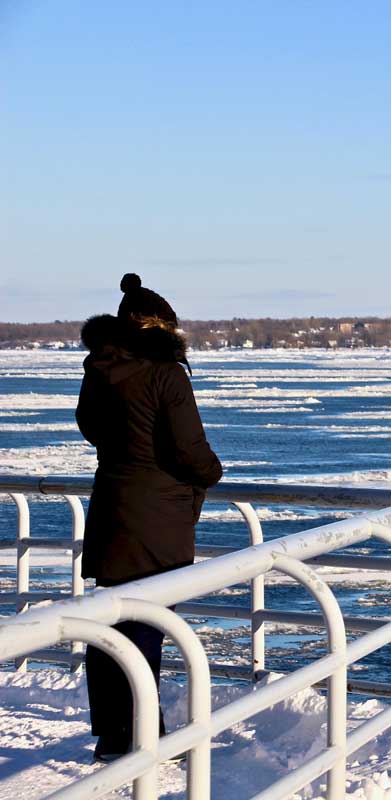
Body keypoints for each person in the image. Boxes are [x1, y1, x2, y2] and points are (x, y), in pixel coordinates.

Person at [76, 273, 223, 762]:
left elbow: (91, 429)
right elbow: (188, 449)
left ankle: (115, 734)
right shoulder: (166, 373)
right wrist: (210, 472)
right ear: (162, 326)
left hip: (112, 507)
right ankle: (143, 736)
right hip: (157, 516)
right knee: (147, 623)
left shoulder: (99, 368)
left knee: (109, 622)